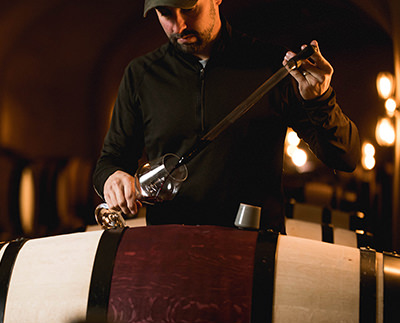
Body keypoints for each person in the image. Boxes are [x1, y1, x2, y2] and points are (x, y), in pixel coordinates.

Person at [92, 0, 360, 233]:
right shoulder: (142, 74)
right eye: (166, 14)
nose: (180, 25)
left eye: (190, 9)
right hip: (170, 248)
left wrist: (320, 99)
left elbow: (344, 158)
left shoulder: (270, 65)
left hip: (255, 251)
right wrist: (113, 177)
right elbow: (111, 160)